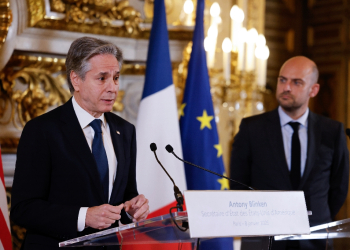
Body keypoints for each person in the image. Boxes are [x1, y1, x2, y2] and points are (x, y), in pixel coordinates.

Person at [11, 37, 150, 250]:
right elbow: (23, 209)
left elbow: (125, 194)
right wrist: (84, 216)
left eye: (116, 77)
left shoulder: (125, 131)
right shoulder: (42, 130)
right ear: (76, 80)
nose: (113, 88)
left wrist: (132, 207)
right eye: (102, 78)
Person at [230, 56, 349, 249]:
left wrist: (315, 217)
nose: (286, 87)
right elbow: (238, 186)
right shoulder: (252, 129)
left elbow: (338, 188)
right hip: (265, 240)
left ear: (314, 90)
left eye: (296, 82)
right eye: (282, 80)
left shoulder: (332, 131)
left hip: (315, 240)